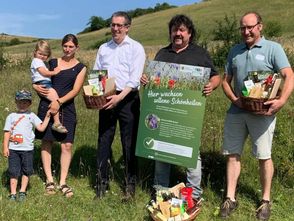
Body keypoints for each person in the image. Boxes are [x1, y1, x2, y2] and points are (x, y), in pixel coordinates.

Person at [220, 12, 294, 220]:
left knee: (263, 155)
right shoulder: (235, 51)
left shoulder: (273, 49)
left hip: (263, 113)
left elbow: (289, 75)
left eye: (250, 27)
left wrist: (281, 101)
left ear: (260, 26)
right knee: (232, 153)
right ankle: (230, 198)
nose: (246, 31)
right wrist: (234, 100)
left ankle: (265, 200)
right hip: (237, 112)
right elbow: (226, 80)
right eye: (242, 28)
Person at [141, 14, 220, 207]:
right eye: (174, 30)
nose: (178, 33)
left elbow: (216, 77)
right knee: (161, 151)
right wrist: (146, 81)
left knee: (191, 153)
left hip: (188, 114)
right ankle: (160, 190)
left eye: (182, 30)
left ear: (189, 33)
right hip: (164, 112)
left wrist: (211, 85)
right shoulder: (162, 53)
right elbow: (154, 81)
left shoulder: (200, 54)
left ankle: (193, 194)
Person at [93, 11, 145, 200]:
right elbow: (98, 74)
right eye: (113, 25)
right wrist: (98, 97)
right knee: (103, 141)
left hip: (128, 99)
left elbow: (134, 79)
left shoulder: (136, 48)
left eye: (119, 25)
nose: (115, 28)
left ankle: (130, 186)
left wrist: (119, 98)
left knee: (129, 143)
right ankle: (101, 185)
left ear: (127, 27)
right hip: (107, 98)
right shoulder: (103, 48)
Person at [33, 34, 87, 197]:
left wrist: (59, 102)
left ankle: (63, 181)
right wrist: (35, 86)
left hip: (67, 107)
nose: (68, 49)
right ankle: (49, 180)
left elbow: (75, 90)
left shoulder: (80, 67)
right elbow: (40, 77)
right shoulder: (53, 63)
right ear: (62, 46)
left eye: (71, 46)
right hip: (47, 105)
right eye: (65, 46)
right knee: (47, 141)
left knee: (67, 145)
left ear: (77, 48)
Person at [3, 90, 51, 201]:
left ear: (30, 103)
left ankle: (22, 192)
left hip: (28, 150)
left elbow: (41, 128)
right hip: (13, 149)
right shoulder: (11, 116)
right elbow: (7, 133)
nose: (22, 104)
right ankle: (13, 193)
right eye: (20, 102)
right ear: (16, 102)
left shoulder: (32, 116)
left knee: (27, 170)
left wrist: (48, 116)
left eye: (25, 102)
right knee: (13, 171)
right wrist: (5, 147)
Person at [30, 40, 68, 133]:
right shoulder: (36, 61)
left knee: (55, 100)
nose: (42, 56)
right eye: (40, 53)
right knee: (56, 101)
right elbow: (44, 72)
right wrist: (54, 72)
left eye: (45, 55)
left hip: (44, 84)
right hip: (43, 84)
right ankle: (56, 123)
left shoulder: (41, 61)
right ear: (35, 52)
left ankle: (54, 120)